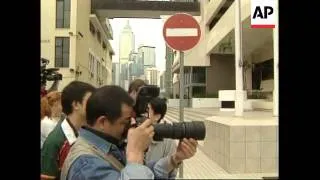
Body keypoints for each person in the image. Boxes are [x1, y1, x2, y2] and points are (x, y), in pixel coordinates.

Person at [60, 85, 198, 179]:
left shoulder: (104, 147)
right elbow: (134, 170)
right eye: (125, 121)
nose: (130, 126)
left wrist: (175, 158)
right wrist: (135, 152)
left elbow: (143, 173)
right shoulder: (86, 164)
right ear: (102, 122)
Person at [41, 81, 96, 180]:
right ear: (76, 105)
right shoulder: (55, 142)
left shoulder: (86, 133)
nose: (95, 106)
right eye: (90, 101)